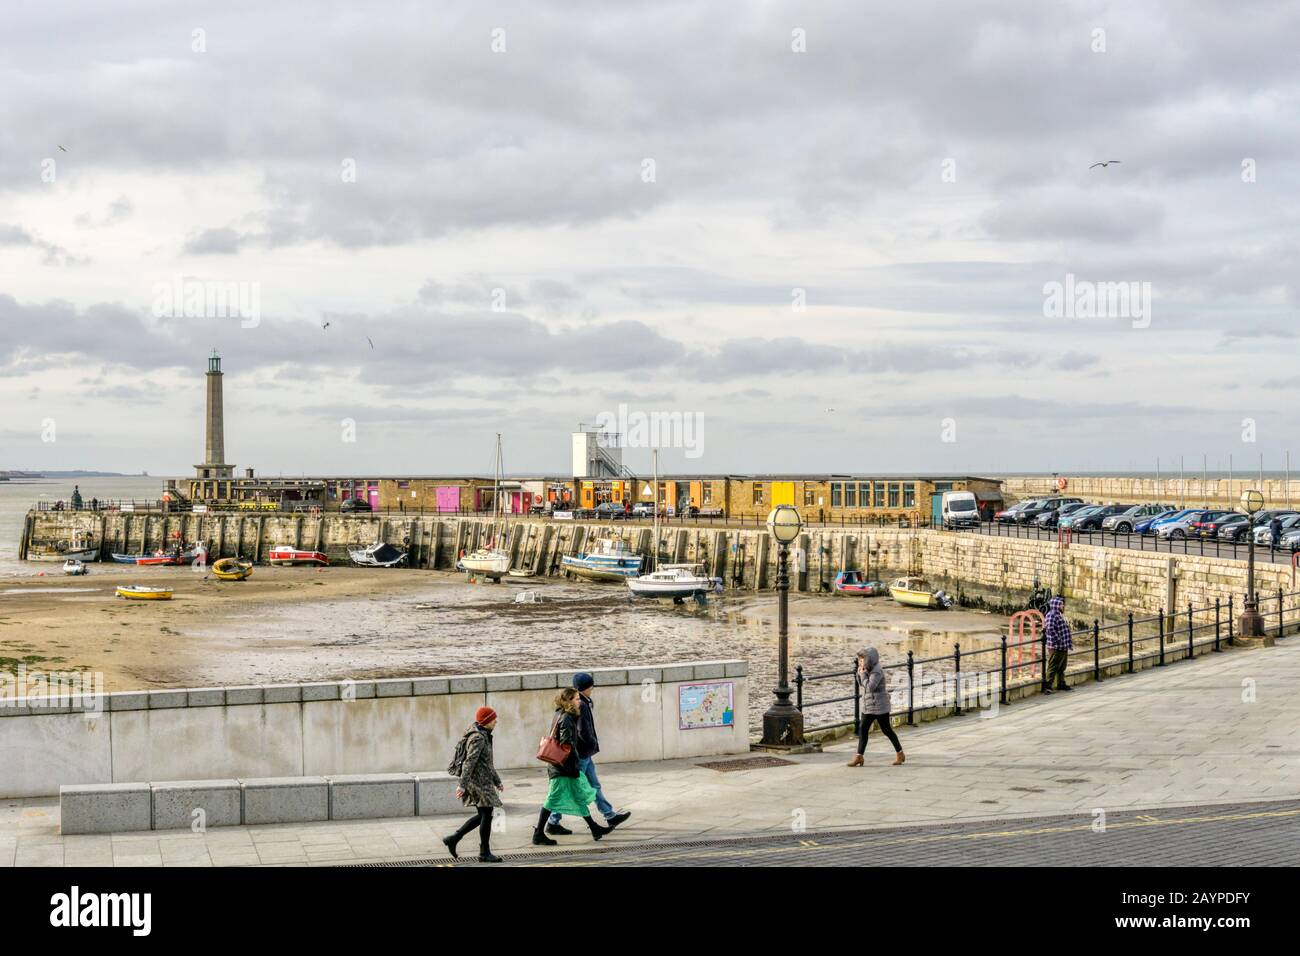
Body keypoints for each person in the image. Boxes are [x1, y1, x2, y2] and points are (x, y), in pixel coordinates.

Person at [544, 673, 631, 837]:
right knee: (571, 789)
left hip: (584, 754)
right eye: (590, 686)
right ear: (584, 688)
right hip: (581, 754)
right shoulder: (581, 705)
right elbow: (582, 731)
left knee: (593, 785)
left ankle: (609, 815)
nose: (592, 688)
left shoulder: (579, 703)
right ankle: (552, 822)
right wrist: (592, 743)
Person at [533, 688, 613, 845]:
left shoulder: (560, 713)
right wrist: (575, 764)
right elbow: (567, 745)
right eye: (576, 699)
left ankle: (594, 828)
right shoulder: (567, 718)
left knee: (578, 796)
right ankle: (538, 834)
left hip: (562, 766)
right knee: (552, 800)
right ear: (569, 701)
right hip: (563, 768)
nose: (579, 702)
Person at [442, 706, 505, 863]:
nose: (496, 721)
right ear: (486, 721)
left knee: (483, 815)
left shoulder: (483, 734)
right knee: (486, 815)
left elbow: (487, 762)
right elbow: (469, 762)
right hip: (478, 783)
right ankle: (484, 852)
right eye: (493, 719)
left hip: (482, 780)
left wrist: (497, 781)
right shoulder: (478, 738)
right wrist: (462, 785)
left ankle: (454, 838)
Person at [847, 647, 904, 767]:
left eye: (862, 659)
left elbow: (870, 687)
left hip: (880, 705)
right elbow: (861, 683)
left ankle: (900, 753)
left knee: (886, 730)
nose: (860, 661)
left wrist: (862, 674)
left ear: (869, 660)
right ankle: (859, 756)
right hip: (868, 705)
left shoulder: (877, 671)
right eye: (860, 659)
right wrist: (859, 673)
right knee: (863, 729)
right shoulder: (866, 669)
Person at [1043, 596, 1073, 693]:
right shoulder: (1051, 615)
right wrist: (1059, 640)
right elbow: (1050, 629)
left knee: (1062, 666)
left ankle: (1061, 683)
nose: (1063, 606)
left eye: (1062, 604)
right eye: (1061, 604)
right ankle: (1047, 686)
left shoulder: (1058, 615)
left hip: (1062, 645)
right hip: (1056, 646)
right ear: (1056, 605)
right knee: (1053, 666)